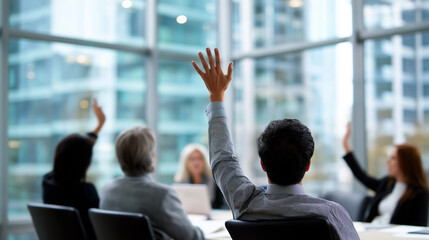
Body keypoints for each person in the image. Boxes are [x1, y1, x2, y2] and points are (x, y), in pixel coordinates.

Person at [191, 48, 359, 240]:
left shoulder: (245, 203)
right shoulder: (330, 214)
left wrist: (216, 97)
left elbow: (222, 160)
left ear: (263, 165)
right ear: (308, 165)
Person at [100, 127, 204, 240]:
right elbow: (192, 237)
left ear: (119, 157)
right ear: (152, 157)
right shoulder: (162, 195)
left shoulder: (106, 190)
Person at [42, 98, 106, 240]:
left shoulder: (48, 183)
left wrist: (100, 125)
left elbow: (74, 151)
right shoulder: (86, 192)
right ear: (85, 164)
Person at [342, 123, 429, 226]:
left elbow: (417, 226)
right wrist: (346, 144)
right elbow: (362, 176)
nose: (388, 162)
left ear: (406, 162)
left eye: (393, 158)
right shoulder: (387, 184)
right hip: (372, 230)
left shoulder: (419, 193)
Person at [174, 143, 225, 209]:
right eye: (192, 159)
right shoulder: (180, 183)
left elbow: (222, 206)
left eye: (199, 158)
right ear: (185, 162)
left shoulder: (215, 181)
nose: (196, 162)